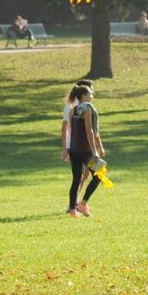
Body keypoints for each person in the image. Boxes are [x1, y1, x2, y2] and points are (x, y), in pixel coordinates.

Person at [64, 83, 106, 218]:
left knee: (76, 179)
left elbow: (72, 131)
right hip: (86, 151)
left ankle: (72, 210)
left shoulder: (72, 110)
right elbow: (90, 130)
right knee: (99, 175)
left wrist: (67, 148)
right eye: (90, 93)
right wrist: (95, 151)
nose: (92, 95)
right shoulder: (87, 109)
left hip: (74, 150)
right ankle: (83, 203)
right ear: (83, 96)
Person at [60, 79, 95, 161]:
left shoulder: (69, 106)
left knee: (84, 170)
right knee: (95, 168)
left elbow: (64, 128)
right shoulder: (84, 108)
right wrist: (97, 147)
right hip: (85, 145)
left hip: (73, 146)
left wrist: (65, 147)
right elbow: (91, 129)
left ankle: (85, 174)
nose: (93, 92)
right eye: (90, 91)